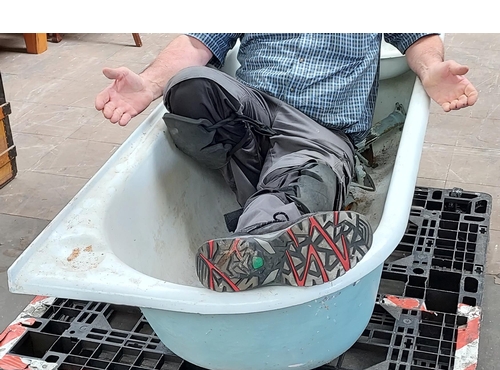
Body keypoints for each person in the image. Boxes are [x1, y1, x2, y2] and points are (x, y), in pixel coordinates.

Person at [95, 33, 478, 293]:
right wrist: (148, 83)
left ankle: (254, 242)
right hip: (253, 113)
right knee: (191, 84)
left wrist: (430, 70)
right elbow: (196, 43)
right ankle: (269, 198)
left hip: (320, 133)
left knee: (301, 179)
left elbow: (418, 37)